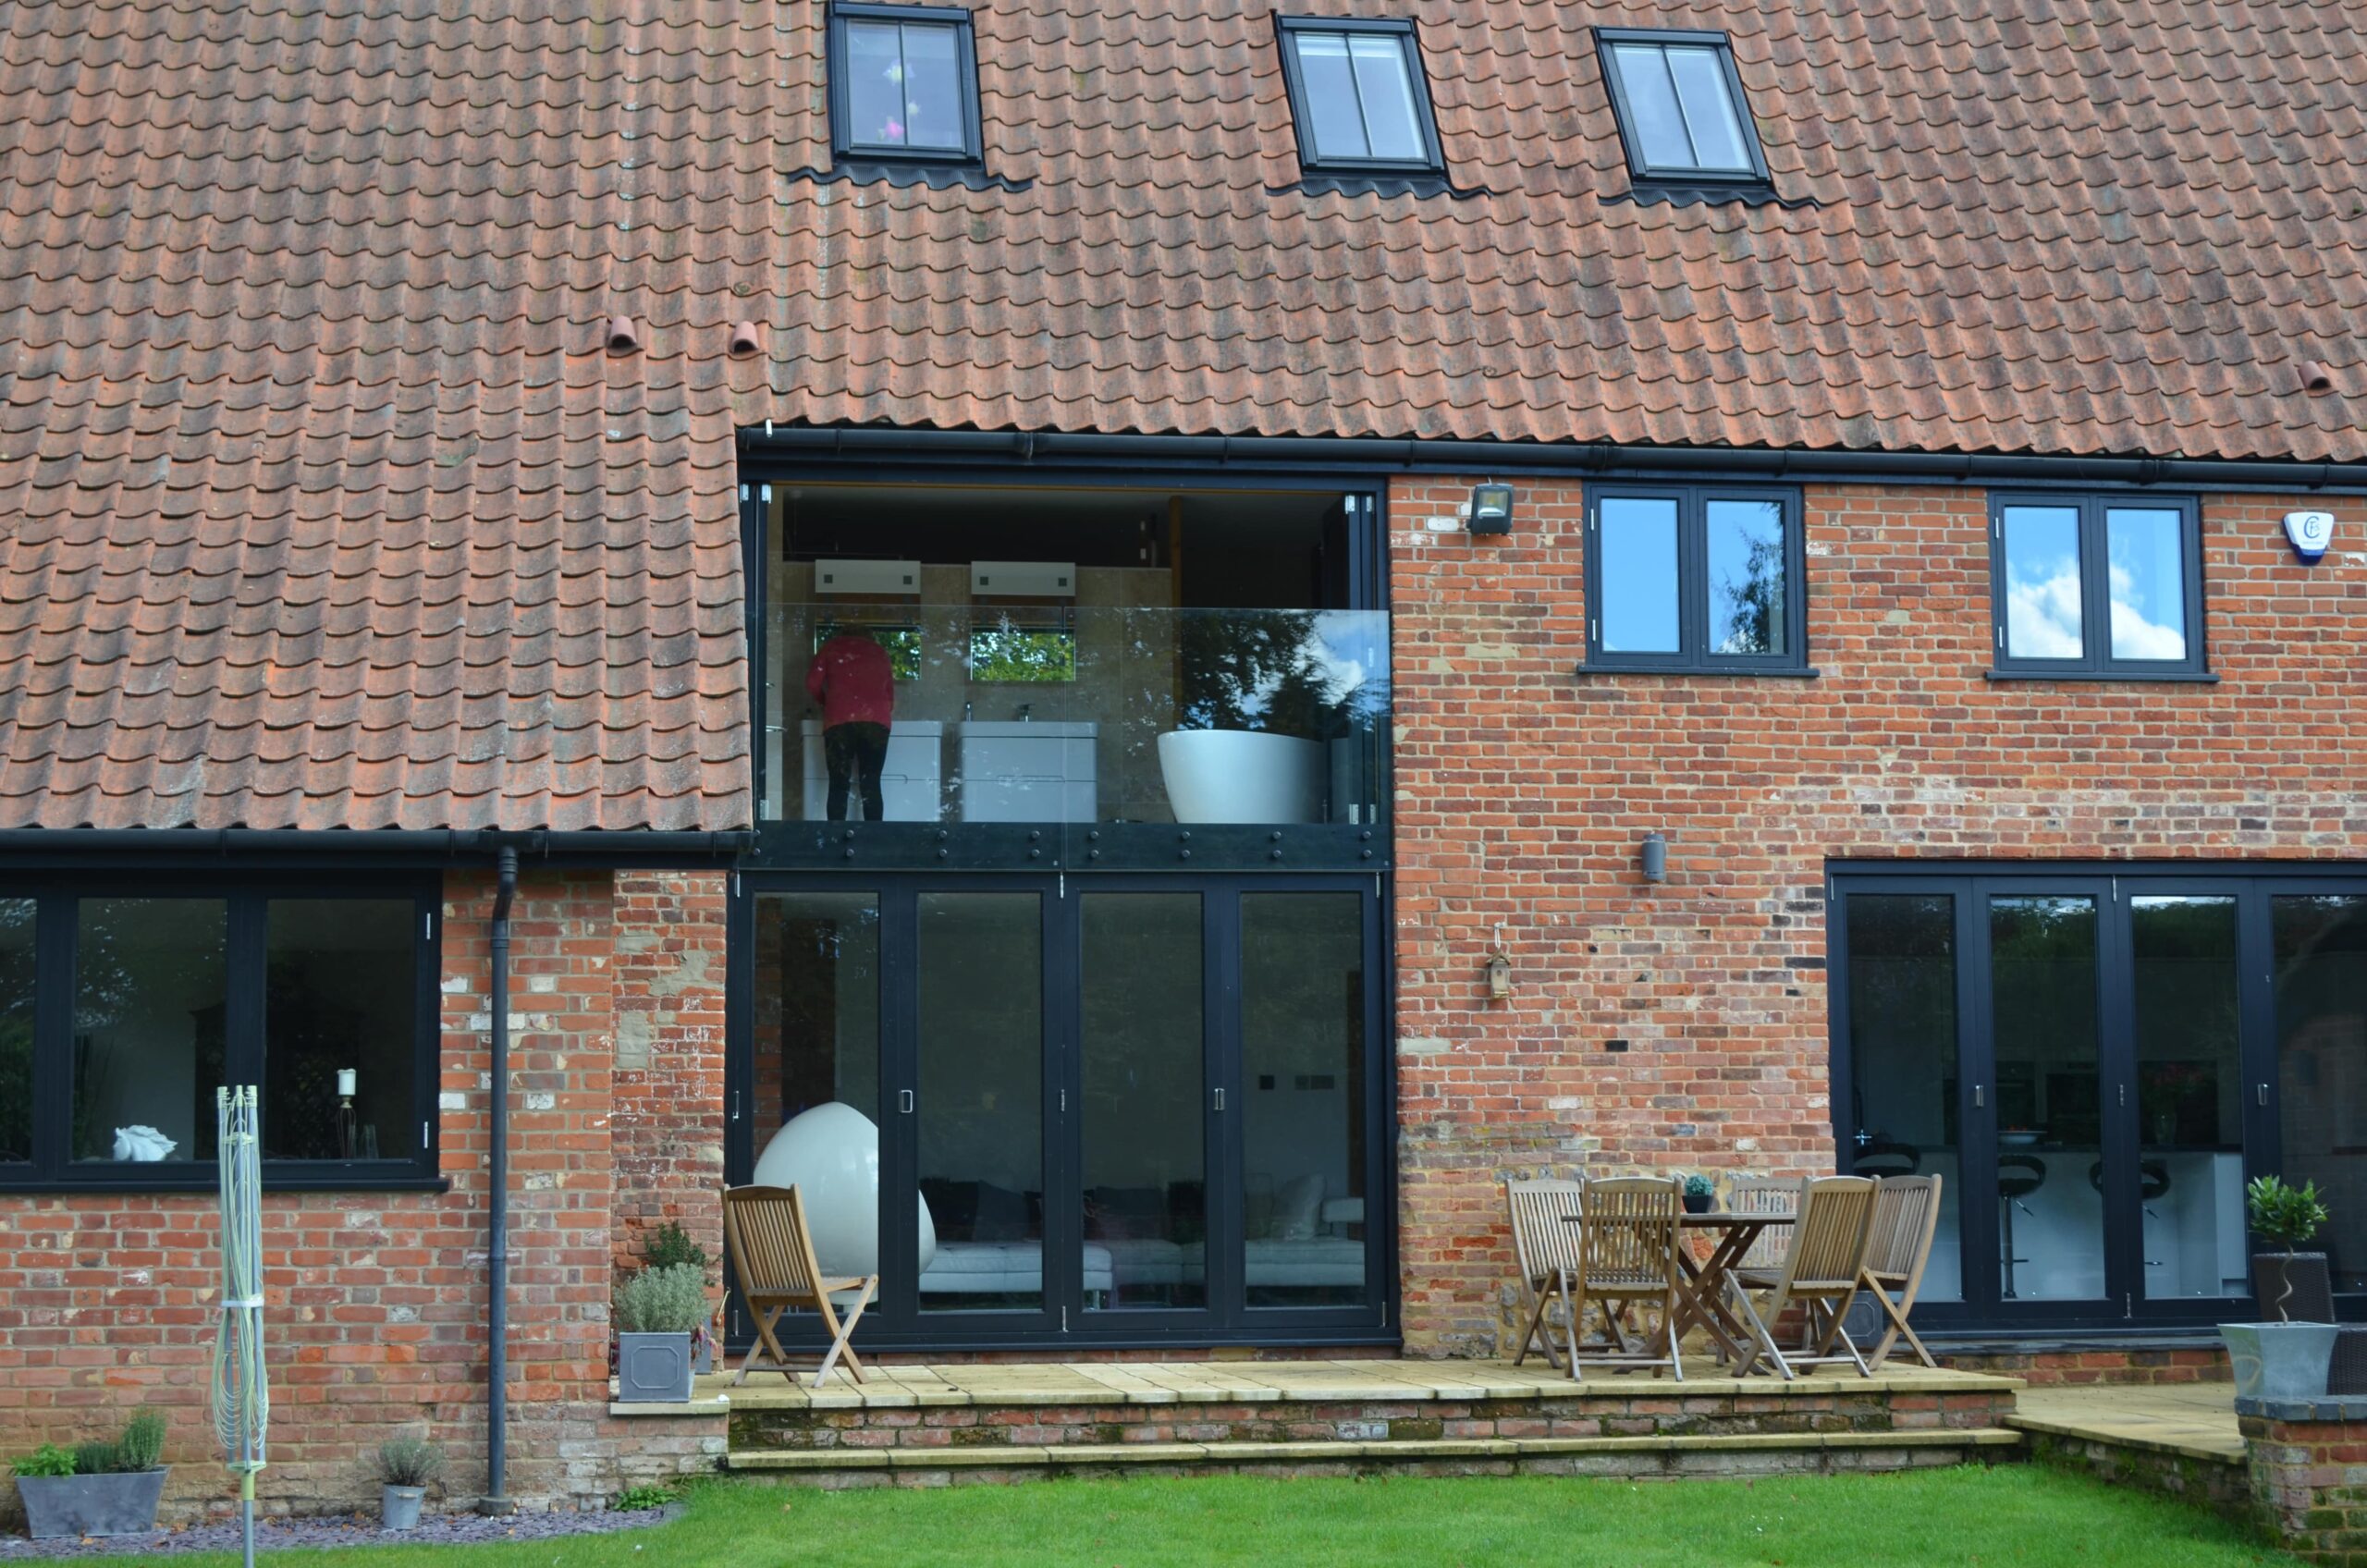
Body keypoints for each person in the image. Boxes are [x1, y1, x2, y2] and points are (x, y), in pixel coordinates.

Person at [804, 630, 895, 820]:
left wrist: (826, 702)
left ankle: (836, 836)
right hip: (876, 722)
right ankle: (874, 837)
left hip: (839, 721)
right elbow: (890, 696)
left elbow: (813, 683)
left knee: (838, 783)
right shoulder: (880, 652)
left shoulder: (831, 648)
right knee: (871, 782)